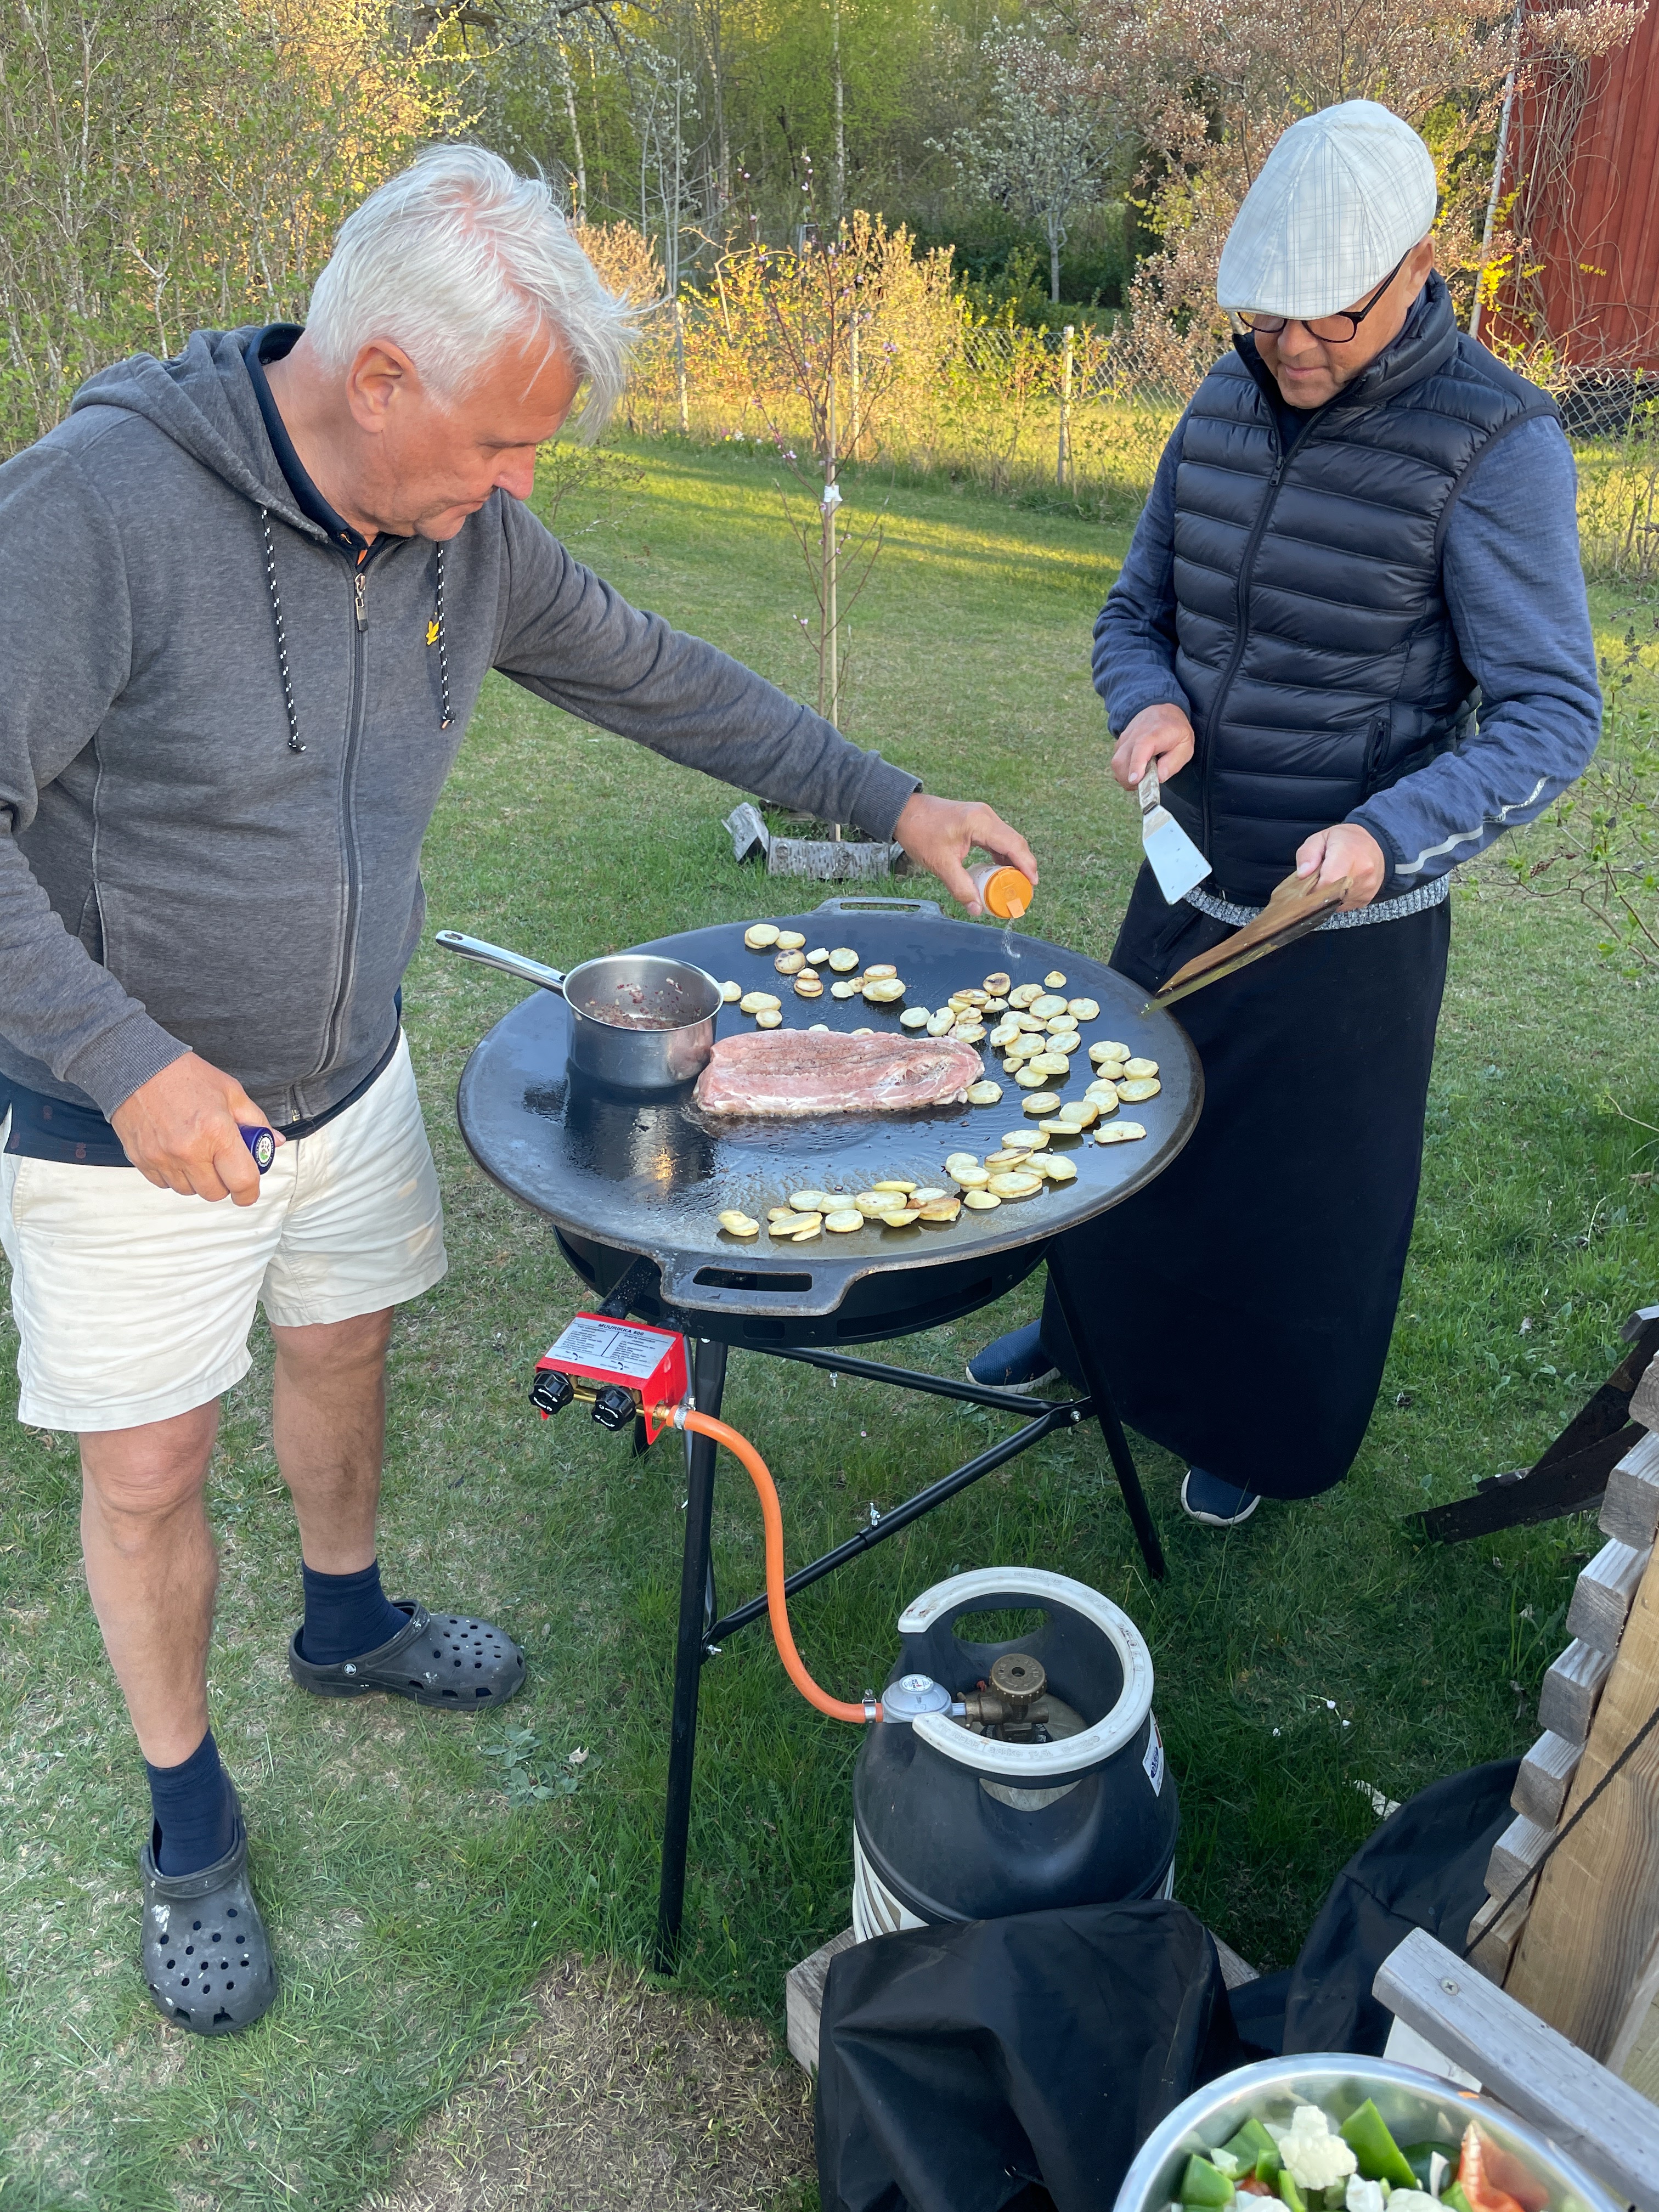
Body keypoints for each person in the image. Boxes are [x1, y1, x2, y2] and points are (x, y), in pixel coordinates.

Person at [0, 144, 1035, 2035]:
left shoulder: (459, 534)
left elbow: (658, 675)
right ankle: (186, 1814)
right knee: (148, 1475)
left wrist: (887, 800)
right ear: (380, 375)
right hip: (119, 1113)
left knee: (344, 1348)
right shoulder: (97, 509)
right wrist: (127, 1062)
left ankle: (347, 1620)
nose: (521, 485)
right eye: (501, 441)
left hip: (348, 1070)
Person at [970, 100, 1600, 1530]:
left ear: (1419, 266)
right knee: (1115, 1122)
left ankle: (1246, 1426)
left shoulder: (1496, 442)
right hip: (1190, 865)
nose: (1293, 348)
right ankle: (1085, 1340)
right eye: (1266, 320)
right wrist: (1148, 700)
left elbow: (1553, 714)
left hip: (1345, 910)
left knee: (1283, 1200)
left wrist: (1387, 835)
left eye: (1328, 319)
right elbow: (1136, 609)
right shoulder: (1221, 400)